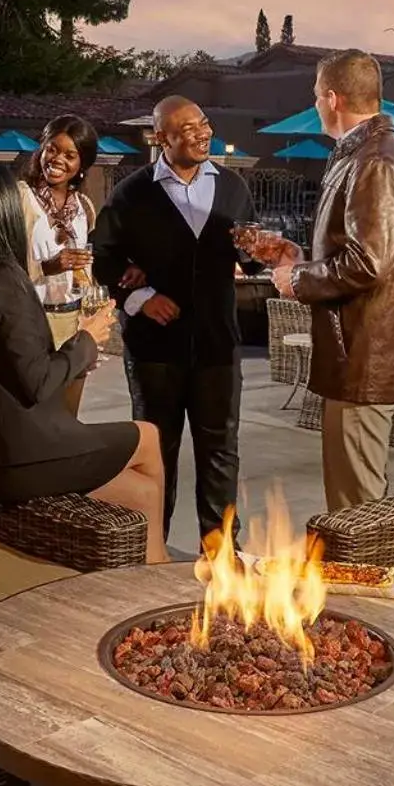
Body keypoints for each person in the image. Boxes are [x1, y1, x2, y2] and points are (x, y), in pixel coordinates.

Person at [0, 163, 168, 562]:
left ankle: (155, 567)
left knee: (144, 494)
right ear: (6, 212)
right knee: (147, 435)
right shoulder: (2, 279)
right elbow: (38, 382)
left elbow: (10, 367)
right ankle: (160, 574)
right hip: (23, 456)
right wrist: (87, 339)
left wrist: (76, 357)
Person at [257, 50, 394, 512]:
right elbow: (359, 250)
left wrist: (298, 280)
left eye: (315, 97)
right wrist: (300, 258)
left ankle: (360, 587)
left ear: (332, 98)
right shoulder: (365, 155)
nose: (314, 107)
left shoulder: (376, 161)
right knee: (352, 505)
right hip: (354, 363)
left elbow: (369, 263)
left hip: (362, 364)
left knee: (356, 513)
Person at [92, 96, 257, 544]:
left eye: (204, 123)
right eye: (186, 129)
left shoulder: (234, 188)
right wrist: (141, 298)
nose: (201, 133)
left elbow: (251, 251)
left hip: (217, 346)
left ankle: (221, 553)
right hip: (155, 350)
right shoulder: (131, 193)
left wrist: (263, 251)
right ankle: (150, 550)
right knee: (155, 454)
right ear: (160, 138)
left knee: (220, 452)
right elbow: (102, 259)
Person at [18, 115, 99, 413]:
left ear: (83, 164)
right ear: (41, 149)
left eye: (70, 155)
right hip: (33, 319)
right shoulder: (20, 198)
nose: (57, 160)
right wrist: (46, 267)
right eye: (52, 149)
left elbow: (87, 265)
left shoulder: (84, 207)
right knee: (36, 410)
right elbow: (2, 265)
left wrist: (93, 300)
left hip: (73, 319)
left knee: (68, 412)